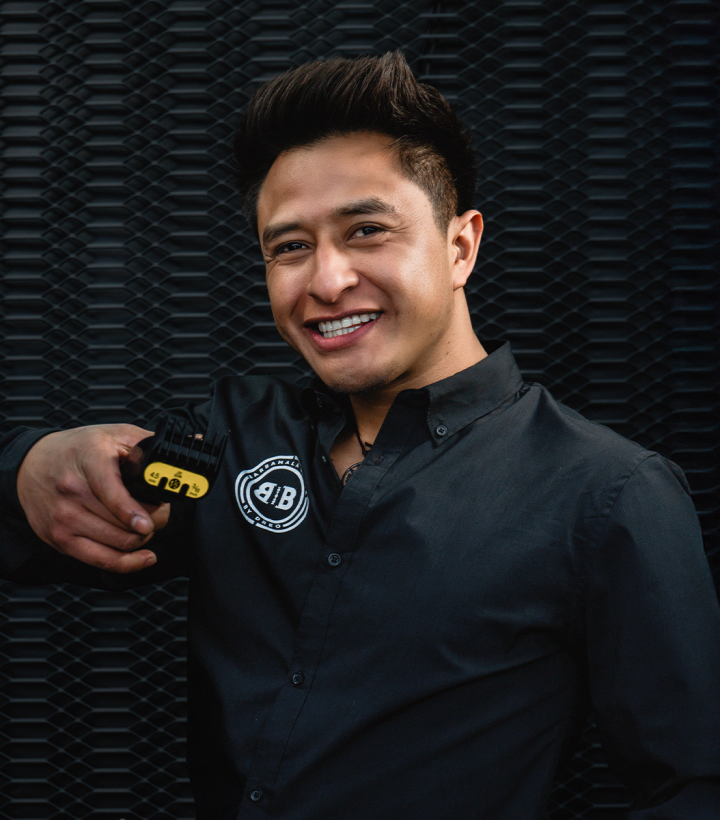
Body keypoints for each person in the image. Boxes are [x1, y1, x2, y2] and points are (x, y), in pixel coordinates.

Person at [0, 52, 718, 820]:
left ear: (460, 247)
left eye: (367, 230)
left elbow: (693, 787)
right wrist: (29, 468)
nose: (326, 281)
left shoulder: (607, 494)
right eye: (290, 246)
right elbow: (67, 510)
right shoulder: (231, 439)